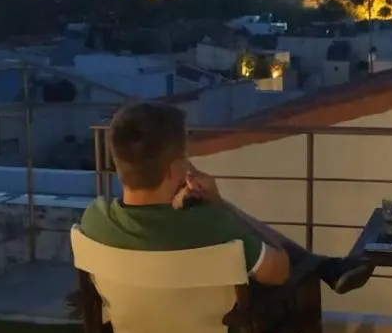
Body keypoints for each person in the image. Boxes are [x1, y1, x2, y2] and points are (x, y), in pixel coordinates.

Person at [79, 101, 374, 296]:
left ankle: (325, 266)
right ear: (174, 169)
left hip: (138, 329)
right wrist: (218, 205)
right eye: (185, 157)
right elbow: (279, 271)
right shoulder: (209, 224)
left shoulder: (94, 218)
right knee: (286, 281)